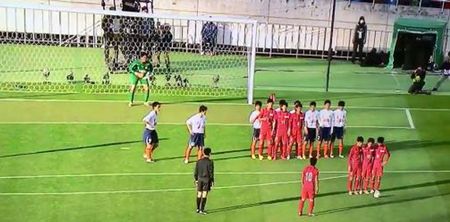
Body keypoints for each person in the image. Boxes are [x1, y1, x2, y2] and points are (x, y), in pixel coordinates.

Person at [194, 147, 214, 215]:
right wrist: (212, 181)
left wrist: (196, 180)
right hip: (206, 180)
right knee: (204, 194)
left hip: (199, 179)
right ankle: (202, 210)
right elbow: (211, 172)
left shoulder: (199, 161)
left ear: (203, 153)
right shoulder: (210, 162)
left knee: (199, 193)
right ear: (209, 154)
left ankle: (197, 208)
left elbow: (196, 171)